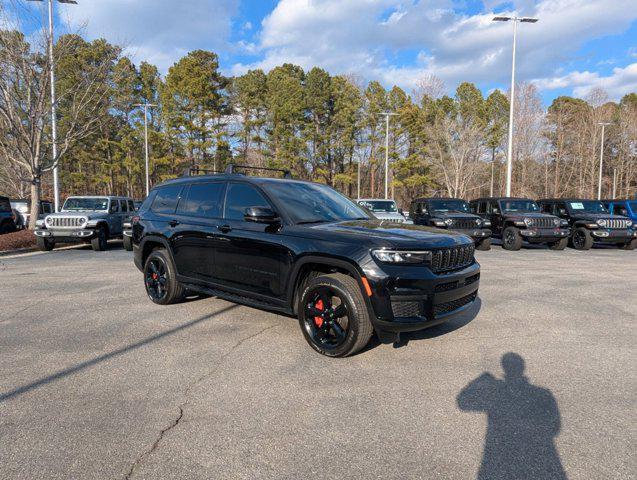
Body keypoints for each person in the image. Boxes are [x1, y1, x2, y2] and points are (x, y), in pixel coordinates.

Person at [457, 352, 567, 480]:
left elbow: (463, 403)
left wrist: (481, 378)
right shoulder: (543, 393)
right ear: (522, 367)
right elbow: (555, 428)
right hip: (539, 456)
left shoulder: (495, 392)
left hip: (499, 456)